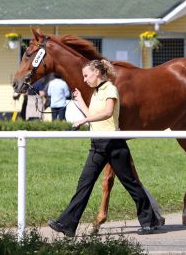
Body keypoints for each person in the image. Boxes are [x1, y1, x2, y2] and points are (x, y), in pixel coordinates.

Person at [48, 60, 160, 237]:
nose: (84, 79)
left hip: (114, 144)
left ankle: (150, 221)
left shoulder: (110, 89)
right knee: (84, 183)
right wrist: (80, 103)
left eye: (86, 75)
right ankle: (67, 224)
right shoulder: (95, 92)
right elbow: (93, 116)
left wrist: (84, 121)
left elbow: (108, 112)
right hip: (97, 145)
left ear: (97, 73)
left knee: (130, 183)